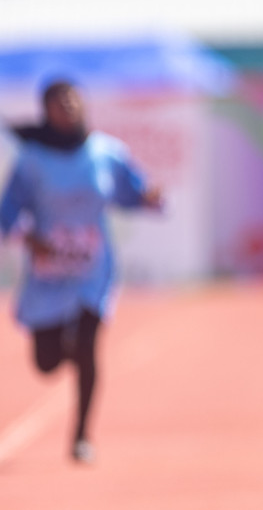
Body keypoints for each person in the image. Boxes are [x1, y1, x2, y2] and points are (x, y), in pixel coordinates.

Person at [2, 80, 163, 463]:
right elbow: (8, 214)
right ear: (47, 112)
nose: (68, 108)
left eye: (72, 100)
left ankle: (81, 437)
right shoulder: (31, 159)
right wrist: (29, 237)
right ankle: (71, 352)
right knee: (46, 362)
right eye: (59, 103)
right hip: (49, 272)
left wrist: (149, 198)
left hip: (93, 268)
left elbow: (131, 192)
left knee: (90, 348)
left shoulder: (106, 152)